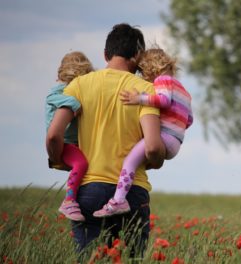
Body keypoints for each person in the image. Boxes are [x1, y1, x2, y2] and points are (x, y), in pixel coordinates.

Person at [46, 23, 165, 258]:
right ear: (137, 57)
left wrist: (58, 159)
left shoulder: (78, 85)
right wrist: (158, 159)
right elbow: (152, 147)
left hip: (88, 190)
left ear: (105, 54)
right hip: (132, 193)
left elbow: (53, 135)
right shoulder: (145, 90)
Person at [93, 47, 193, 217]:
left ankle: (118, 200)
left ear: (150, 68)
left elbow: (163, 100)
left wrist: (138, 98)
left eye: (142, 72)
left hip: (164, 137)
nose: (143, 78)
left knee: (130, 161)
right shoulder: (184, 90)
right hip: (176, 141)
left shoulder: (162, 80)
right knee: (138, 160)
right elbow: (189, 119)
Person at [45, 51, 93, 222]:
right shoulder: (60, 89)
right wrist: (74, 103)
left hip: (74, 142)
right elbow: (52, 98)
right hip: (64, 142)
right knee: (81, 163)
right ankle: (69, 200)